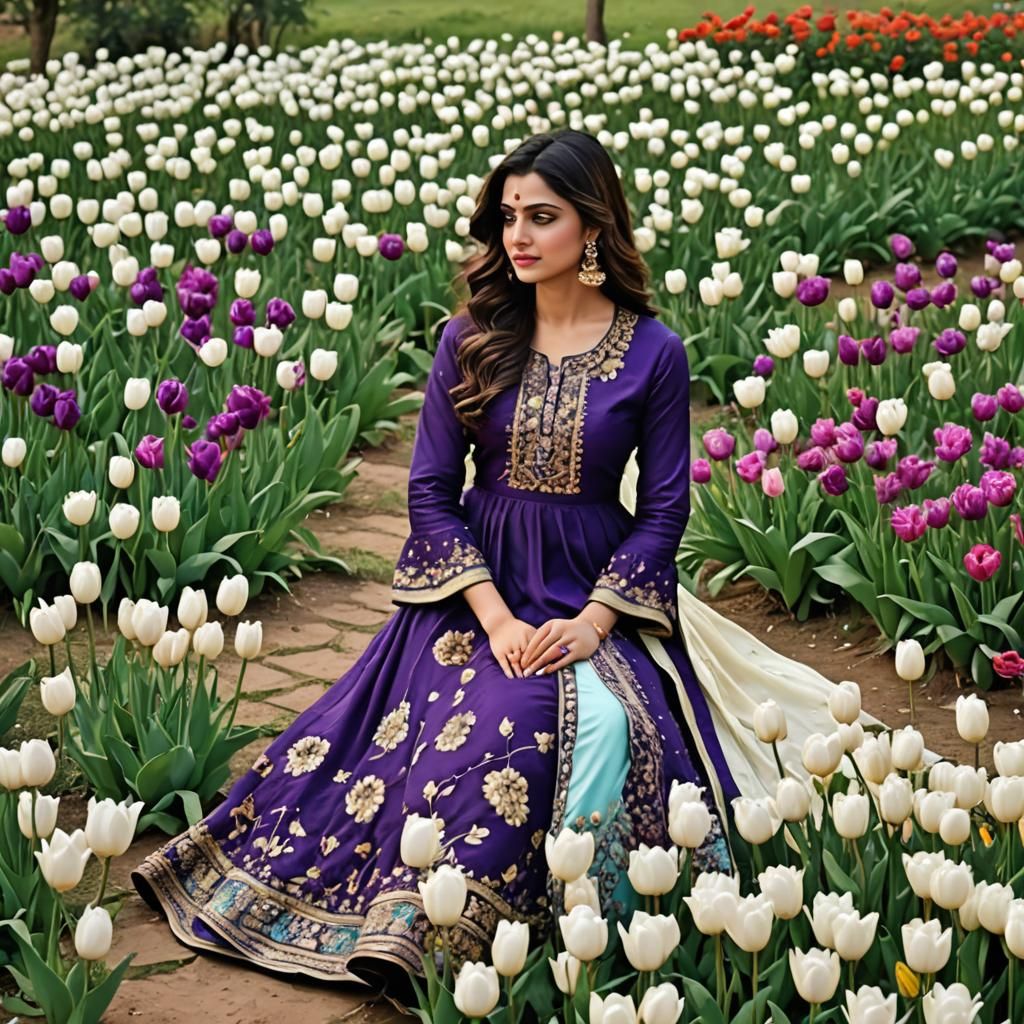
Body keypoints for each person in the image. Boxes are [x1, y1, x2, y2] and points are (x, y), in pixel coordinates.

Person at [131, 128, 862, 1001]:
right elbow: (432, 490)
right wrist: (498, 618)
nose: (517, 234)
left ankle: (549, 938)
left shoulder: (654, 353)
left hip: (595, 588)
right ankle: (419, 932)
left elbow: (666, 507)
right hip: (474, 590)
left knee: (601, 730)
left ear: (592, 228)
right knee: (483, 723)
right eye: (508, 215)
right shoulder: (468, 337)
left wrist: (594, 623)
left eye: (542, 217)